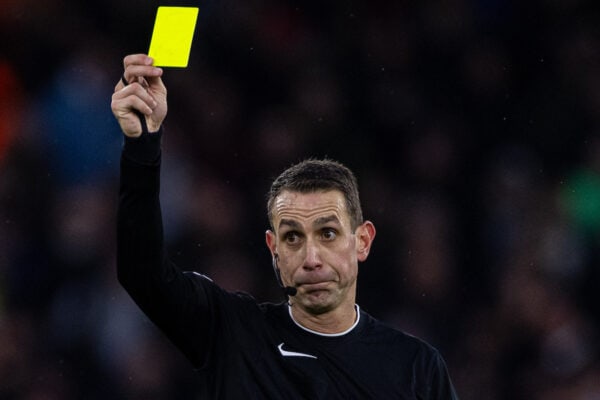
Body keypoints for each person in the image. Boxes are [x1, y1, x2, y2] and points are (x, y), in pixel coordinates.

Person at [111, 53, 460, 399]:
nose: (311, 258)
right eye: (293, 237)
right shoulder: (232, 333)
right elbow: (142, 274)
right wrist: (142, 145)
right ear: (273, 249)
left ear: (363, 241)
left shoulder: (416, 368)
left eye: (328, 233)